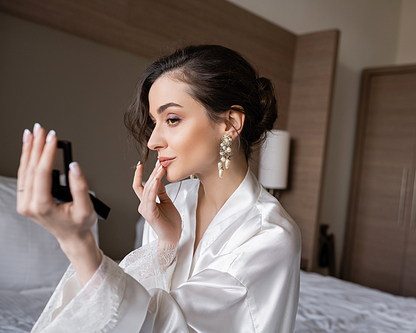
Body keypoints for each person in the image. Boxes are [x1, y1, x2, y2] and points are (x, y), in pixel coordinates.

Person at [16, 45, 301, 333]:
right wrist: (166, 244)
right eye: (154, 122)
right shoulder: (171, 200)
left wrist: (77, 242)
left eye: (172, 119)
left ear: (229, 123)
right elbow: (137, 304)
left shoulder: (271, 235)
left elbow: (164, 324)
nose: (153, 141)